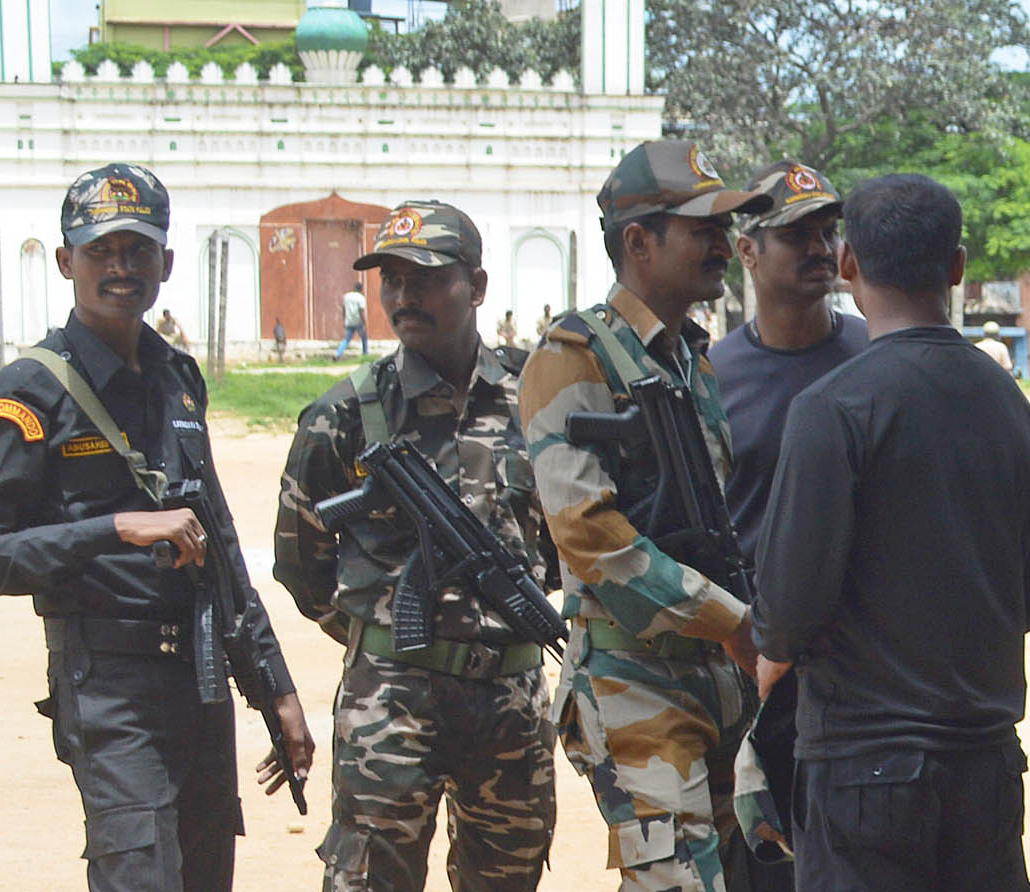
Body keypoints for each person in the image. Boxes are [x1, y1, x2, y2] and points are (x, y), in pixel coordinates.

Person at [0, 162, 314, 892]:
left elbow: (221, 544)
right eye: (100, 251)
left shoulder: (177, 378)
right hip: (109, 689)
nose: (120, 267)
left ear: (165, 263)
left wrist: (274, 686)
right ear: (65, 262)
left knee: (207, 875)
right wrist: (114, 529)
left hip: (199, 683)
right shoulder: (28, 392)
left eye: (138, 250)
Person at [751, 173, 1030, 892]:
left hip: (862, 769)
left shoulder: (832, 407)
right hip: (985, 764)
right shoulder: (1009, 405)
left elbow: (787, 614)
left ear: (849, 266)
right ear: (957, 267)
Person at [274, 201, 555, 892]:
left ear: (478, 286)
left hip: (511, 697)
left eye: (425, 278)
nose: (403, 296)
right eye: (390, 280)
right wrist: (385, 628)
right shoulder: (346, 412)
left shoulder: (539, 397)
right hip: (390, 704)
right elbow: (302, 558)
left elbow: (572, 532)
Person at [517, 140, 770, 891]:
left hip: (716, 676)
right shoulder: (575, 357)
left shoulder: (690, 358)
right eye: (702, 229)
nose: (723, 244)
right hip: (632, 682)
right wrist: (730, 619)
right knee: (674, 884)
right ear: (638, 241)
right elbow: (590, 538)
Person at [710, 159, 867, 563]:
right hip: (752, 616)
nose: (819, 248)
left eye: (829, 232)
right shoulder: (712, 376)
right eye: (795, 235)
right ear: (747, 251)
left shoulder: (876, 353)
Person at [335, 282, 368, 359]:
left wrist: (344, 320)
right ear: (361, 289)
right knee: (364, 338)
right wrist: (365, 323)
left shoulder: (347, 296)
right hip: (358, 321)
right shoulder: (361, 297)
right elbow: (361, 311)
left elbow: (344, 309)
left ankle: (338, 354)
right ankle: (365, 354)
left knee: (347, 339)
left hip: (349, 321)